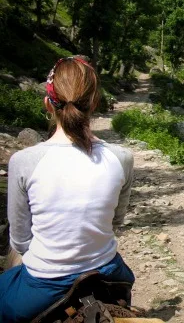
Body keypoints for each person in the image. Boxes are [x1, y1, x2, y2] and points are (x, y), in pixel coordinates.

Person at [0, 56, 135, 322]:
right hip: (107, 272)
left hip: (44, 284)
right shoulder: (122, 157)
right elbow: (116, 221)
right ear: (94, 103)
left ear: (48, 103)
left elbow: (20, 240)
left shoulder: (24, 161)